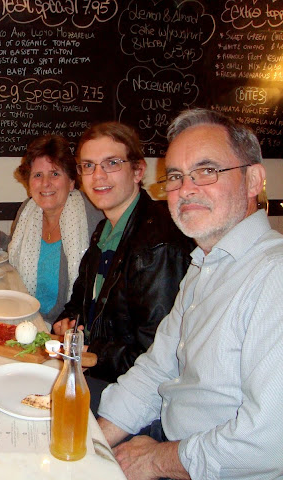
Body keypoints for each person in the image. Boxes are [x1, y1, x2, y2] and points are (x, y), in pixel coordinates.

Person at [97, 109, 283, 480]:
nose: (186, 189)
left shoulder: (274, 276)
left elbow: (268, 443)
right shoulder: (203, 265)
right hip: (168, 438)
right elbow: (157, 368)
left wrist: (156, 460)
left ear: (253, 180)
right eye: (176, 176)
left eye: (206, 170)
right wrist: (94, 439)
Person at [52, 123, 193, 396]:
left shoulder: (158, 244)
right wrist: (67, 321)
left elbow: (157, 354)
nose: (98, 175)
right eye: (88, 165)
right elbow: (80, 300)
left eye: (112, 163)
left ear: (138, 171)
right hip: (97, 368)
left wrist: (92, 353)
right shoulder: (103, 230)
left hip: (133, 390)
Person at [0, 135, 103, 327]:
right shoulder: (28, 211)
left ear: (71, 181)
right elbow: (15, 253)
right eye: (38, 175)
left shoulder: (93, 217)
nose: (45, 183)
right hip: (24, 316)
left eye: (55, 174)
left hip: (66, 327)